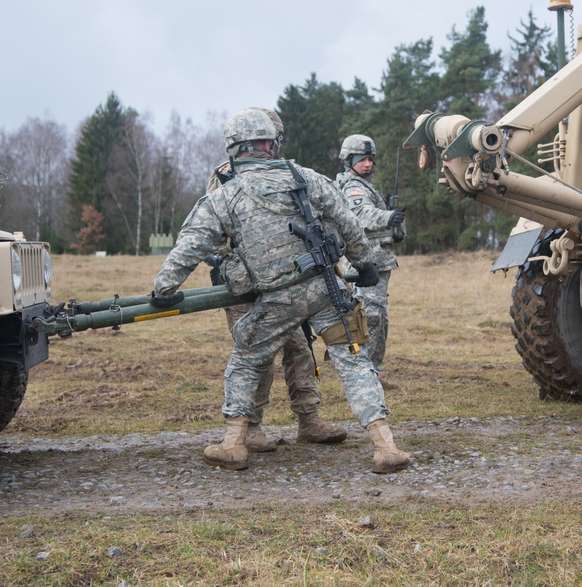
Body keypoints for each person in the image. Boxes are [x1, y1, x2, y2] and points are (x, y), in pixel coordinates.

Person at [152, 108, 410, 474]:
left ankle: (232, 445)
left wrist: (164, 289)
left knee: (246, 357)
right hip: (326, 290)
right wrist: (365, 265)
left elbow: (189, 246)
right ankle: (386, 447)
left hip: (275, 300)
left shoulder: (225, 196)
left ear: (235, 149)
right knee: (354, 360)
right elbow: (348, 223)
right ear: (271, 145)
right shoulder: (304, 177)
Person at [206, 108, 346, 451]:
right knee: (258, 354)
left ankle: (309, 420)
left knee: (301, 350)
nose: (271, 145)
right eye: (267, 138)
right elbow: (212, 231)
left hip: (288, 281)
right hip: (246, 285)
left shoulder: (289, 175)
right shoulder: (225, 177)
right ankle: (249, 428)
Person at [334, 134, 405, 373]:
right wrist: (388, 216)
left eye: (370, 159)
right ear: (348, 159)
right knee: (370, 315)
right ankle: (366, 368)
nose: (367, 164)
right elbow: (361, 214)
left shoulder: (365, 186)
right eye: (362, 159)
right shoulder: (352, 187)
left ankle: (371, 366)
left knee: (377, 315)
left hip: (378, 261)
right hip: (364, 263)